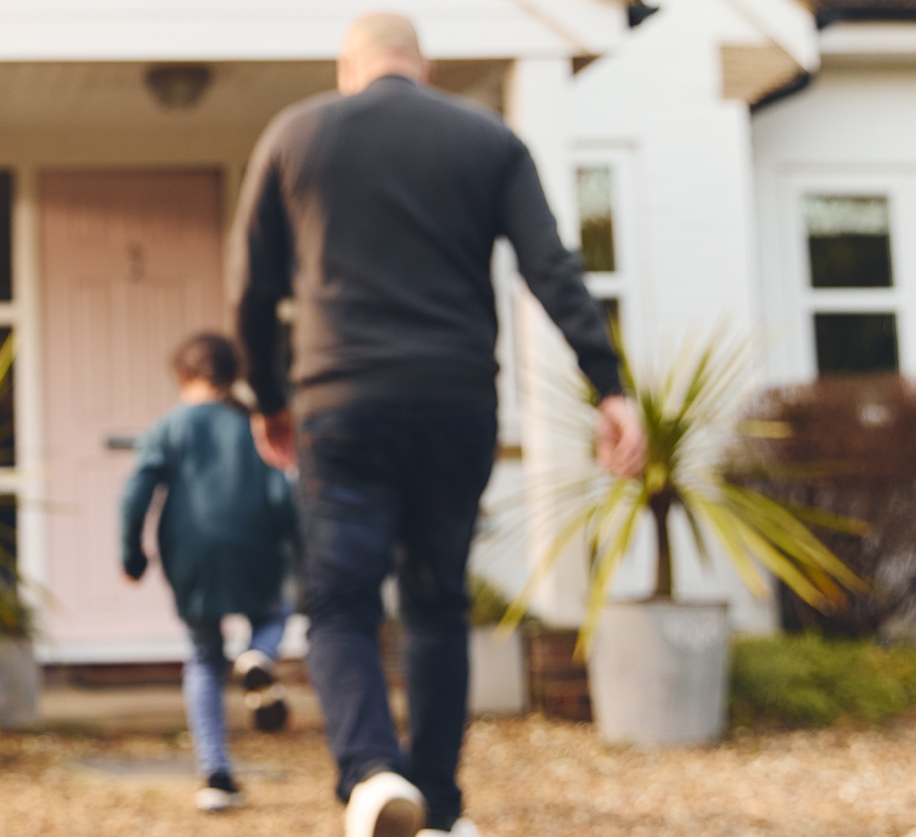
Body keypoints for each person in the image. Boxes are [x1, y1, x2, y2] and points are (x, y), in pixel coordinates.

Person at [232, 12, 647, 837]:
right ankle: (442, 806)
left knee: (343, 601)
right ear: (423, 66)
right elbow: (550, 266)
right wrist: (609, 383)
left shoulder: (296, 134)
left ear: (349, 68)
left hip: (340, 405)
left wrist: (269, 398)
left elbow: (251, 286)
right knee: (436, 603)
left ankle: (373, 774)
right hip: (456, 406)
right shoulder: (487, 138)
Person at [120, 332, 298, 814]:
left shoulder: (167, 428)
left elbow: (136, 492)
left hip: (190, 553)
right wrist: (296, 547)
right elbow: (283, 492)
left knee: (202, 656)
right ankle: (258, 655)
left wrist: (132, 554)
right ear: (233, 375)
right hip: (255, 545)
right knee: (275, 612)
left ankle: (216, 776)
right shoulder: (254, 424)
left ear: (183, 376)